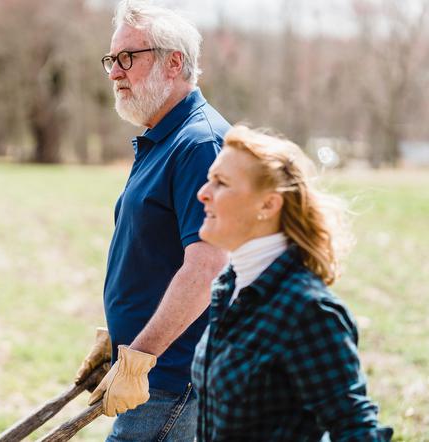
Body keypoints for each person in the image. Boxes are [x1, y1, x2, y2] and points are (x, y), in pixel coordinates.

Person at [74, 1, 230, 440]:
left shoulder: (199, 145)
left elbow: (208, 268)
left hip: (173, 382)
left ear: (173, 61)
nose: (114, 72)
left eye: (128, 57)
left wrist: (139, 355)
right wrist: (119, 337)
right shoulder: (164, 137)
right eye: (111, 59)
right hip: (154, 372)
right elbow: (155, 253)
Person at [191, 125, 393, 441]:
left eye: (222, 183)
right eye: (209, 179)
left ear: (268, 205)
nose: (203, 192)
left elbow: (356, 430)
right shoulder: (228, 289)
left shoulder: (307, 310)